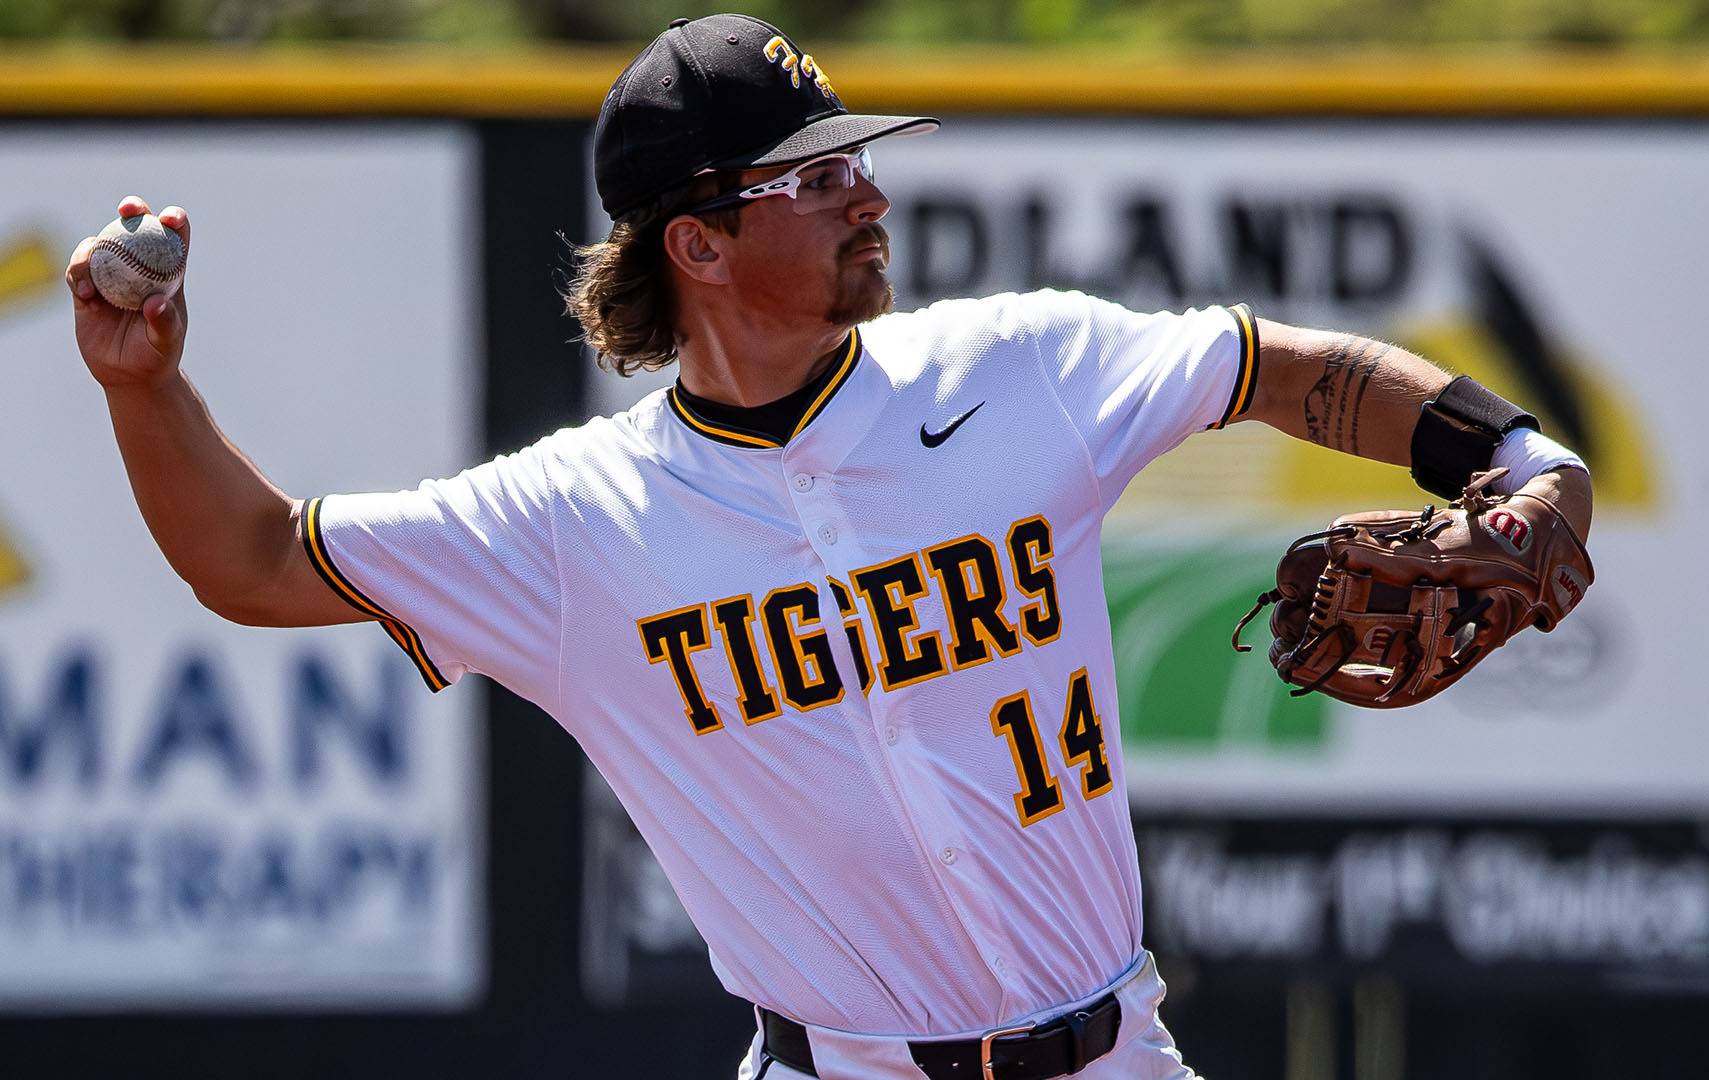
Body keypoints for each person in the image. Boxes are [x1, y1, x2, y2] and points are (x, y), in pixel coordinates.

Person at [67, 14, 1592, 1080]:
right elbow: (253, 558)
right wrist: (147, 388)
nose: (867, 190)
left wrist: (1522, 456)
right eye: (816, 173)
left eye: (858, 158)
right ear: (700, 241)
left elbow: (1275, 365)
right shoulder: (575, 524)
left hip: (1114, 1050)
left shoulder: (1020, 369)